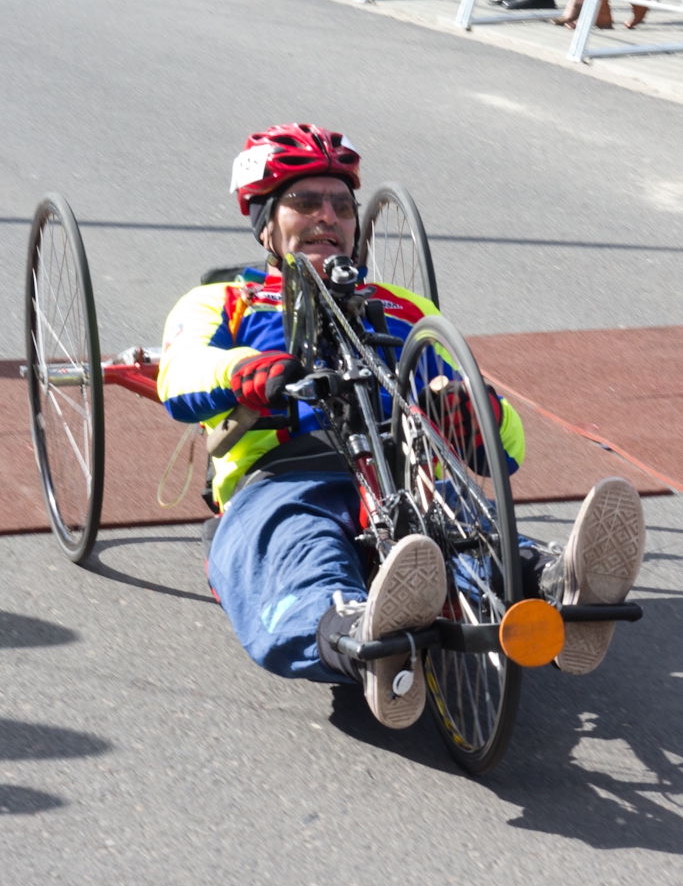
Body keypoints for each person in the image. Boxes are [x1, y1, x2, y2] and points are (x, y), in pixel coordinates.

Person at [157, 123, 646, 731]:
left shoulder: (402, 306)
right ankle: (361, 637)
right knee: (296, 550)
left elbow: (506, 441)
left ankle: (556, 582)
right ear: (265, 222)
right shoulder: (225, 300)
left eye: (341, 206)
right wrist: (246, 372)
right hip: (283, 477)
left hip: (409, 475)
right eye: (305, 204)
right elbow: (179, 375)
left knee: (470, 533)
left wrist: (476, 415)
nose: (327, 218)